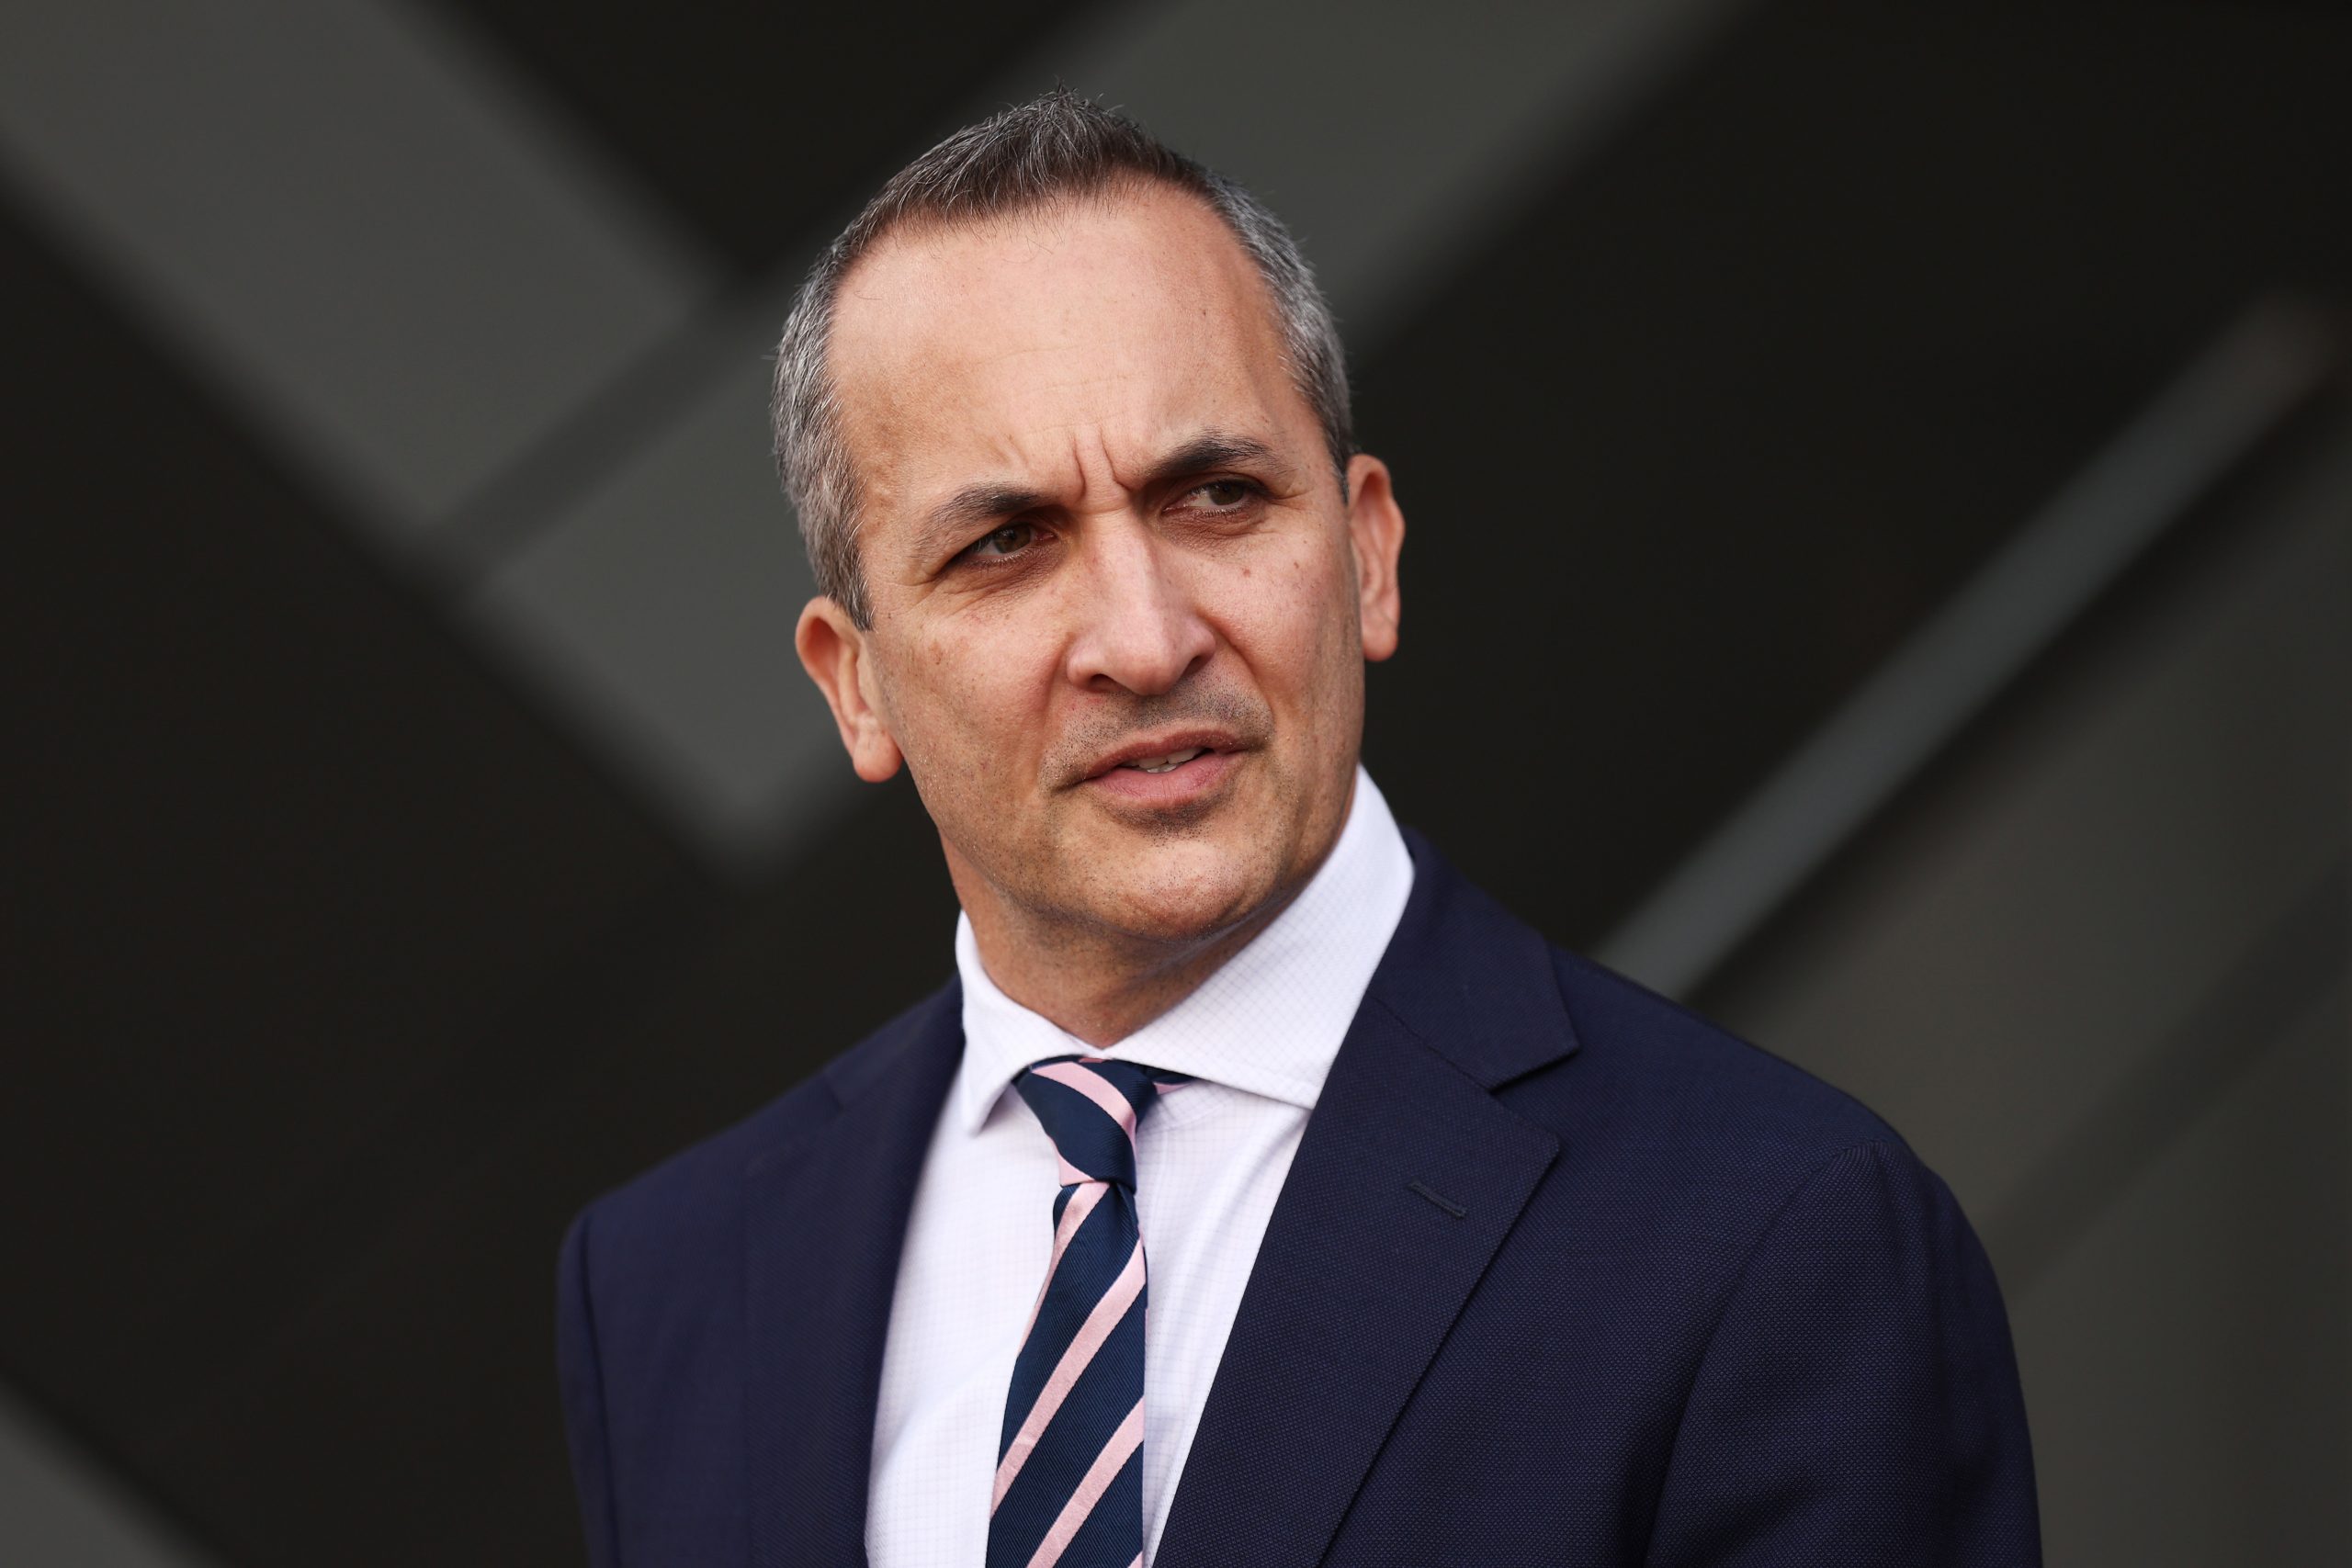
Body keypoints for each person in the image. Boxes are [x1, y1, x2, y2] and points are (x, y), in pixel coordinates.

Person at [554, 90, 2040, 1568]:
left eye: (1216, 495)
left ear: (1369, 554)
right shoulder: (677, 1283)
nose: (1142, 641)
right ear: (855, 684)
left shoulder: (1776, 1238)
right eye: (1005, 543)